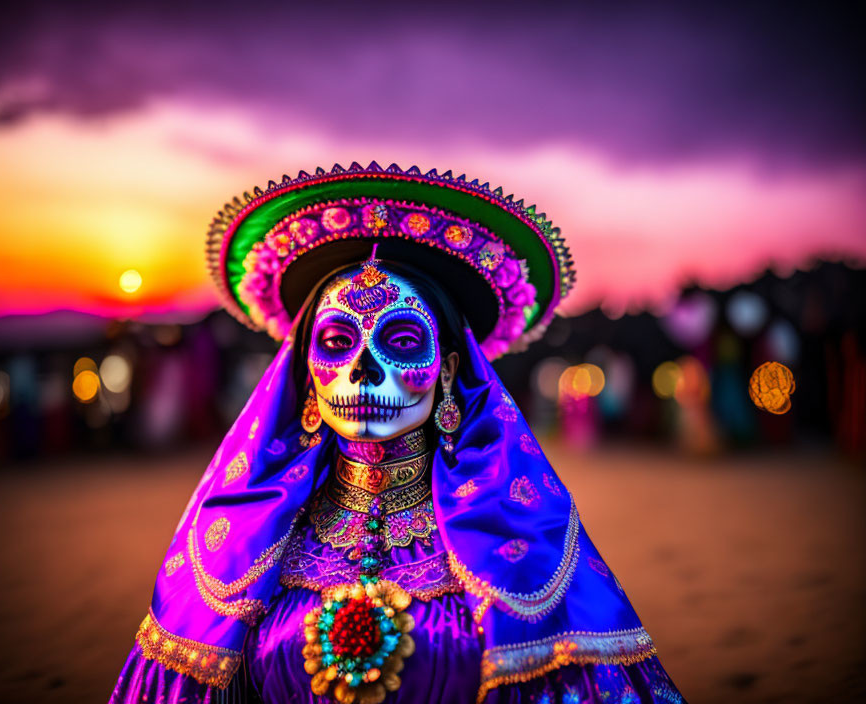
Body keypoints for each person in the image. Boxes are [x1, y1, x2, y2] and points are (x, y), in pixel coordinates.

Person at [110, 163, 685, 704]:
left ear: (451, 372)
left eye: (403, 341)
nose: (364, 369)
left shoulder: (519, 536)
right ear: (305, 378)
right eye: (337, 343)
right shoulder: (246, 541)